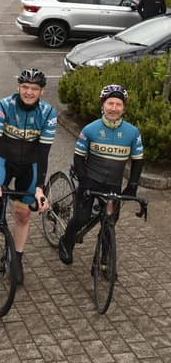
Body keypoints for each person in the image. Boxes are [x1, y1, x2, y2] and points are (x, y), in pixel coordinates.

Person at [0, 69, 55, 285]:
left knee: (23, 215)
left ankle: (17, 259)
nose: (29, 92)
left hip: (30, 165)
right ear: (18, 87)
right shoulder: (4, 106)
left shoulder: (48, 112)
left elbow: (44, 153)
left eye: (34, 88)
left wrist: (40, 188)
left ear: (42, 91)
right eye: (25, 87)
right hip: (4, 160)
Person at [59, 84, 143, 266]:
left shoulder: (132, 133)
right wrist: (84, 180)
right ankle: (66, 241)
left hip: (113, 185)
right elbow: (79, 158)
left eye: (118, 104)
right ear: (103, 105)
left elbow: (138, 161)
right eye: (110, 103)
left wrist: (133, 185)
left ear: (124, 107)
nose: (114, 108)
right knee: (81, 218)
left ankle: (104, 259)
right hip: (90, 181)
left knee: (109, 223)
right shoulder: (90, 129)